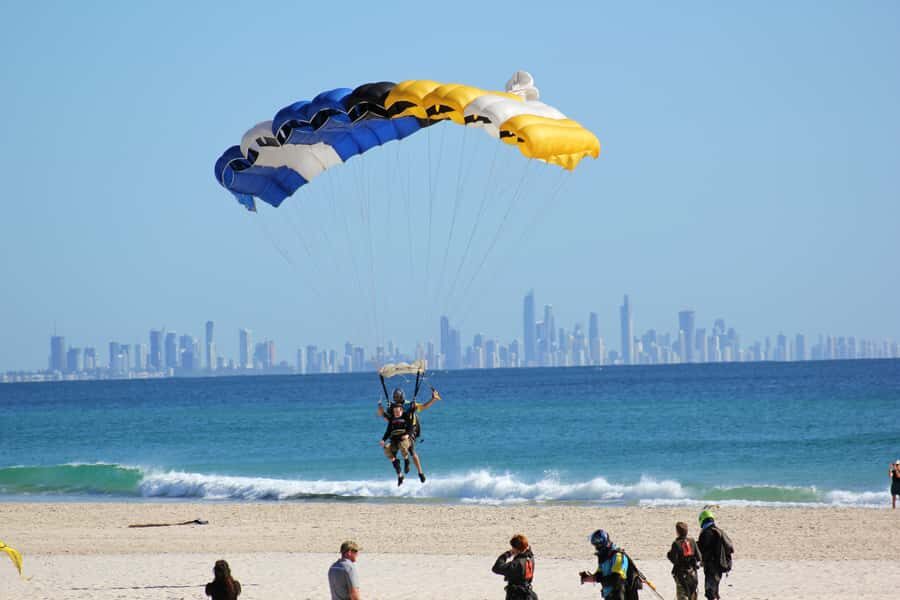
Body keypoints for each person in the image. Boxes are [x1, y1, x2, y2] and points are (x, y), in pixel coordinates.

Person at [380, 402, 426, 485]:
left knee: (404, 446)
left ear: (401, 411)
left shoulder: (406, 416)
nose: (396, 413)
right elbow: (388, 431)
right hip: (394, 440)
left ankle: (407, 461)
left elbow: (411, 427)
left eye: (398, 411)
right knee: (387, 449)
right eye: (395, 412)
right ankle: (400, 475)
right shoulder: (392, 419)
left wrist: (407, 435)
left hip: (404, 439)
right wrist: (383, 440)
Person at [579, 529, 632, 600]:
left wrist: (600, 579)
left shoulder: (618, 556)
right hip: (608, 596)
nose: (595, 548)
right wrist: (586, 578)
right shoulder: (604, 558)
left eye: (596, 545)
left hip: (618, 596)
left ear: (601, 543)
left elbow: (616, 579)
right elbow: (598, 576)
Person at [697, 510, 734, 600]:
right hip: (721, 565)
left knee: (710, 592)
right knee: (715, 590)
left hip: (712, 566)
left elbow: (702, 550)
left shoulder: (706, 533)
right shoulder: (719, 531)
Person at [491, 533, 537, 600]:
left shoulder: (517, 563)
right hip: (527, 593)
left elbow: (497, 568)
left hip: (517, 595)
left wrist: (507, 554)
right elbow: (528, 551)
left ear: (515, 548)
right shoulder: (530, 558)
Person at [667, 521, 701, 600]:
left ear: (677, 532)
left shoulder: (676, 544)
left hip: (681, 574)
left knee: (682, 595)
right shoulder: (692, 541)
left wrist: (669, 555)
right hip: (692, 573)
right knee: (693, 594)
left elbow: (674, 559)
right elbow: (699, 557)